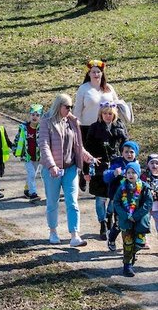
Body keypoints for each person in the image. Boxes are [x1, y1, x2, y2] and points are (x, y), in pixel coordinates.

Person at [38, 93, 96, 246]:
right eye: (67, 107)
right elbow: (44, 145)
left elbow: (78, 146)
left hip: (70, 168)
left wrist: (88, 157)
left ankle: (74, 235)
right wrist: (51, 166)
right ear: (59, 106)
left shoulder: (72, 122)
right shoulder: (46, 121)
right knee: (52, 202)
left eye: (71, 107)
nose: (70, 110)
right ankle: (53, 232)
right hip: (52, 170)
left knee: (72, 202)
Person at [84, 103, 128, 239]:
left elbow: (126, 147)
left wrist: (128, 165)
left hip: (115, 166)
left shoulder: (119, 127)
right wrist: (86, 170)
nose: (107, 116)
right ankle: (102, 222)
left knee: (115, 197)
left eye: (110, 114)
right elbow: (87, 150)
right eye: (105, 113)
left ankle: (109, 216)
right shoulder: (94, 128)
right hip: (98, 167)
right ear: (100, 114)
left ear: (114, 114)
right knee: (100, 198)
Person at [112, 162, 152, 277]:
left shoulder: (144, 187)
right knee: (128, 242)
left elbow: (148, 203)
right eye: (128, 172)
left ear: (138, 174)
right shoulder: (122, 187)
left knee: (140, 242)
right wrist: (125, 215)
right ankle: (127, 266)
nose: (130, 175)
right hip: (126, 219)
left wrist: (136, 216)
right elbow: (117, 202)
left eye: (133, 172)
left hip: (140, 220)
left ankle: (132, 255)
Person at [74, 60, 132, 139]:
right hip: (88, 128)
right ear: (89, 73)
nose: (96, 74)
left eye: (98, 72)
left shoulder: (109, 88)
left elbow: (116, 106)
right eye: (93, 72)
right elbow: (77, 110)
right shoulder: (83, 88)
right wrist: (76, 127)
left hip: (108, 127)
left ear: (102, 73)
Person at [103, 140, 141, 251]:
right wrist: (114, 173)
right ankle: (111, 238)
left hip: (134, 200)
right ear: (122, 152)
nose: (129, 154)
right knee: (120, 223)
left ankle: (132, 245)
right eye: (126, 152)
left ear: (136, 153)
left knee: (133, 223)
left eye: (132, 152)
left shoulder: (137, 165)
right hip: (119, 200)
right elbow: (106, 177)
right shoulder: (117, 163)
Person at [14, 104, 45, 201]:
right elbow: (17, 139)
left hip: (37, 156)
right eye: (33, 114)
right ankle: (33, 193)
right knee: (31, 174)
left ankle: (27, 190)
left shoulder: (42, 129)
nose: (34, 117)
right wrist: (15, 149)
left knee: (33, 175)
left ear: (40, 117)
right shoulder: (24, 127)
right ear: (29, 115)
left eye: (37, 115)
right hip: (26, 156)